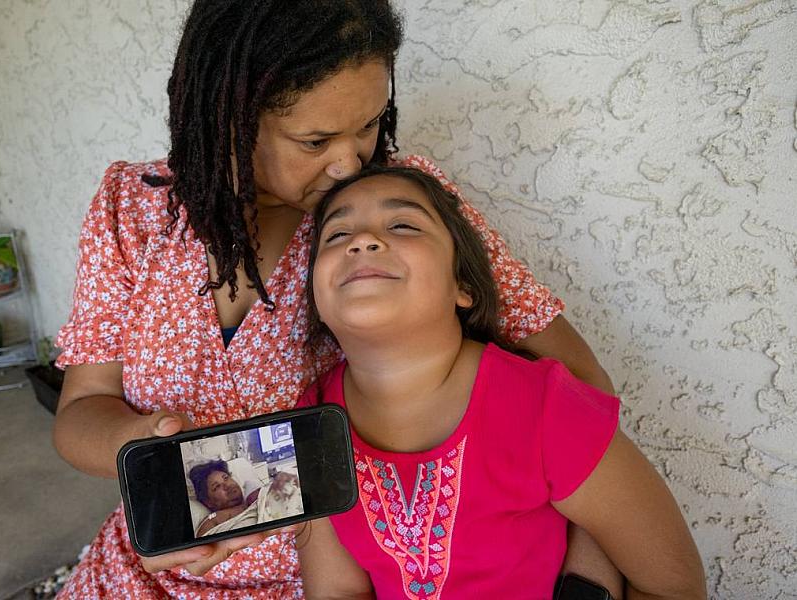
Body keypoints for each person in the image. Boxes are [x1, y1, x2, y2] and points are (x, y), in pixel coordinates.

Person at [53, 1, 620, 597]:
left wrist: (587, 569)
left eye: (371, 123)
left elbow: (581, 383)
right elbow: (82, 408)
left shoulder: (387, 214)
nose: (350, 163)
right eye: (316, 139)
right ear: (227, 117)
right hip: (146, 570)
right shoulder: (136, 210)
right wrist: (149, 449)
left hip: (338, 579)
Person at [295, 165, 706, 600]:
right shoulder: (312, 423)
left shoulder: (544, 405)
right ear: (317, 302)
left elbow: (672, 586)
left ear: (463, 286)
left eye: (403, 224)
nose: (363, 240)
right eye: (337, 236)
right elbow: (338, 591)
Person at [189, 460, 302, 536]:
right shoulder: (212, 521)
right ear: (209, 502)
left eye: (226, 478)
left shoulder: (256, 496)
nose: (227, 485)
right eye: (217, 486)